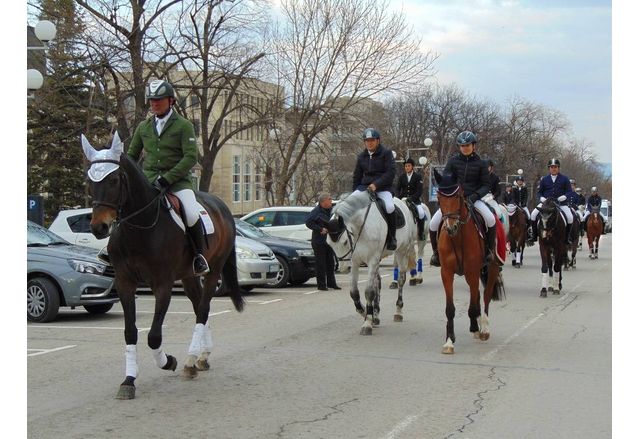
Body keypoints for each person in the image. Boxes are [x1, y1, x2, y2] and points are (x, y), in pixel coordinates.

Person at [127, 79, 209, 276]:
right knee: (124, 206)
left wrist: (169, 178)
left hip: (177, 183)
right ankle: (113, 250)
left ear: (171, 101)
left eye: (159, 100)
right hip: (148, 182)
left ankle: (199, 256)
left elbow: (191, 157)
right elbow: (131, 155)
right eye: (152, 100)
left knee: (190, 212)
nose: (154, 103)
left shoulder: (184, 126)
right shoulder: (143, 127)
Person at [428, 130, 496, 266]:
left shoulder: (481, 164)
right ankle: (436, 254)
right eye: (462, 146)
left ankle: (489, 250)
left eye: (468, 145)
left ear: (473, 146)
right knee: (433, 223)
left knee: (490, 219)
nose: (465, 148)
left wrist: (475, 196)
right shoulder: (453, 162)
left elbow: (486, 185)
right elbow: (446, 180)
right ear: (459, 147)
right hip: (454, 200)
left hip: (473, 199)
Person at [352, 128, 397, 250]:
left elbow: (390, 173)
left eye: (372, 140)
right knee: (349, 202)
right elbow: (357, 176)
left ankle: (391, 237)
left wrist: (376, 184)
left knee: (389, 206)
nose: (369, 143)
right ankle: (349, 235)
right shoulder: (361, 156)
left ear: (378, 141)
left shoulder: (386, 153)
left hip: (383, 188)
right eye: (367, 141)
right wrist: (354, 191)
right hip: (364, 187)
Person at [527, 158, 574, 246]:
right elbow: (539, 192)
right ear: (549, 168)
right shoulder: (544, 179)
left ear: (558, 168)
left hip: (560, 203)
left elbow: (569, 192)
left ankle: (567, 237)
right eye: (551, 167)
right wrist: (541, 198)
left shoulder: (564, 179)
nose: (553, 169)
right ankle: (534, 235)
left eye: (555, 167)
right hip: (546, 203)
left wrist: (564, 197)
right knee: (533, 215)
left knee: (570, 217)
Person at [305, 192, 341, 291]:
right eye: (329, 199)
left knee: (331, 263)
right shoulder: (316, 211)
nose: (331, 201)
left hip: (329, 241)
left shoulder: (331, 210)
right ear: (323, 201)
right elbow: (308, 222)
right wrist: (320, 229)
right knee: (321, 264)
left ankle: (332, 283)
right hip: (319, 241)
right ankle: (321, 285)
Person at [396, 158, 427, 240]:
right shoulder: (402, 177)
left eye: (409, 166)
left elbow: (419, 190)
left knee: (421, 213)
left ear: (412, 167)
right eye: (406, 166)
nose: (407, 167)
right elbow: (397, 188)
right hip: (403, 200)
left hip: (415, 200)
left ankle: (421, 233)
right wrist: (398, 197)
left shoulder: (418, 176)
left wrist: (412, 198)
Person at [512, 175, 533, 239]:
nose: (520, 182)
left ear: (522, 182)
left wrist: (523, 204)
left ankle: (529, 229)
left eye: (521, 181)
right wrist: (516, 204)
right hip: (515, 205)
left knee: (529, 216)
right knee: (510, 214)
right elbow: (513, 197)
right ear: (516, 181)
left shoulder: (525, 188)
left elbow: (526, 197)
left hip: (523, 206)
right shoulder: (514, 188)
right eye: (518, 181)